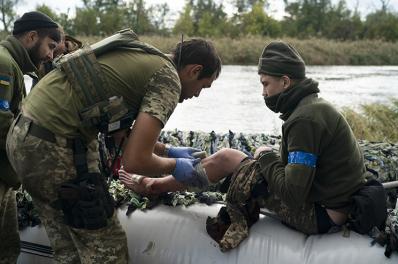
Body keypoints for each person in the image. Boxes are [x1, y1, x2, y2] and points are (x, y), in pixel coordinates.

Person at [6, 28, 221, 263]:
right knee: (108, 249)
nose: (198, 95)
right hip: (55, 148)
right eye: (203, 86)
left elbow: (120, 132)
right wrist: (176, 166)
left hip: (22, 139)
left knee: (67, 247)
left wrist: (166, 151)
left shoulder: (141, 57)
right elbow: (135, 161)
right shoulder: (168, 79)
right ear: (194, 71)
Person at [120, 41, 368, 237]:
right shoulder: (311, 107)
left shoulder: (305, 120)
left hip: (320, 215)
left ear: (285, 81)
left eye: (266, 84)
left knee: (229, 158)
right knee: (232, 159)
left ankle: (152, 186)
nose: (263, 93)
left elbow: (292, 194)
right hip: (327, 203)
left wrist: (266, 156)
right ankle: (158, 183)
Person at [0, 11, 60, 263]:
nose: (50, 55)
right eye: (50, 46)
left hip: (4, 176)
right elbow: (2, 121)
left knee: (8, 247)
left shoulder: (12, 64)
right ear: (32, 37)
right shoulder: (3, 64)